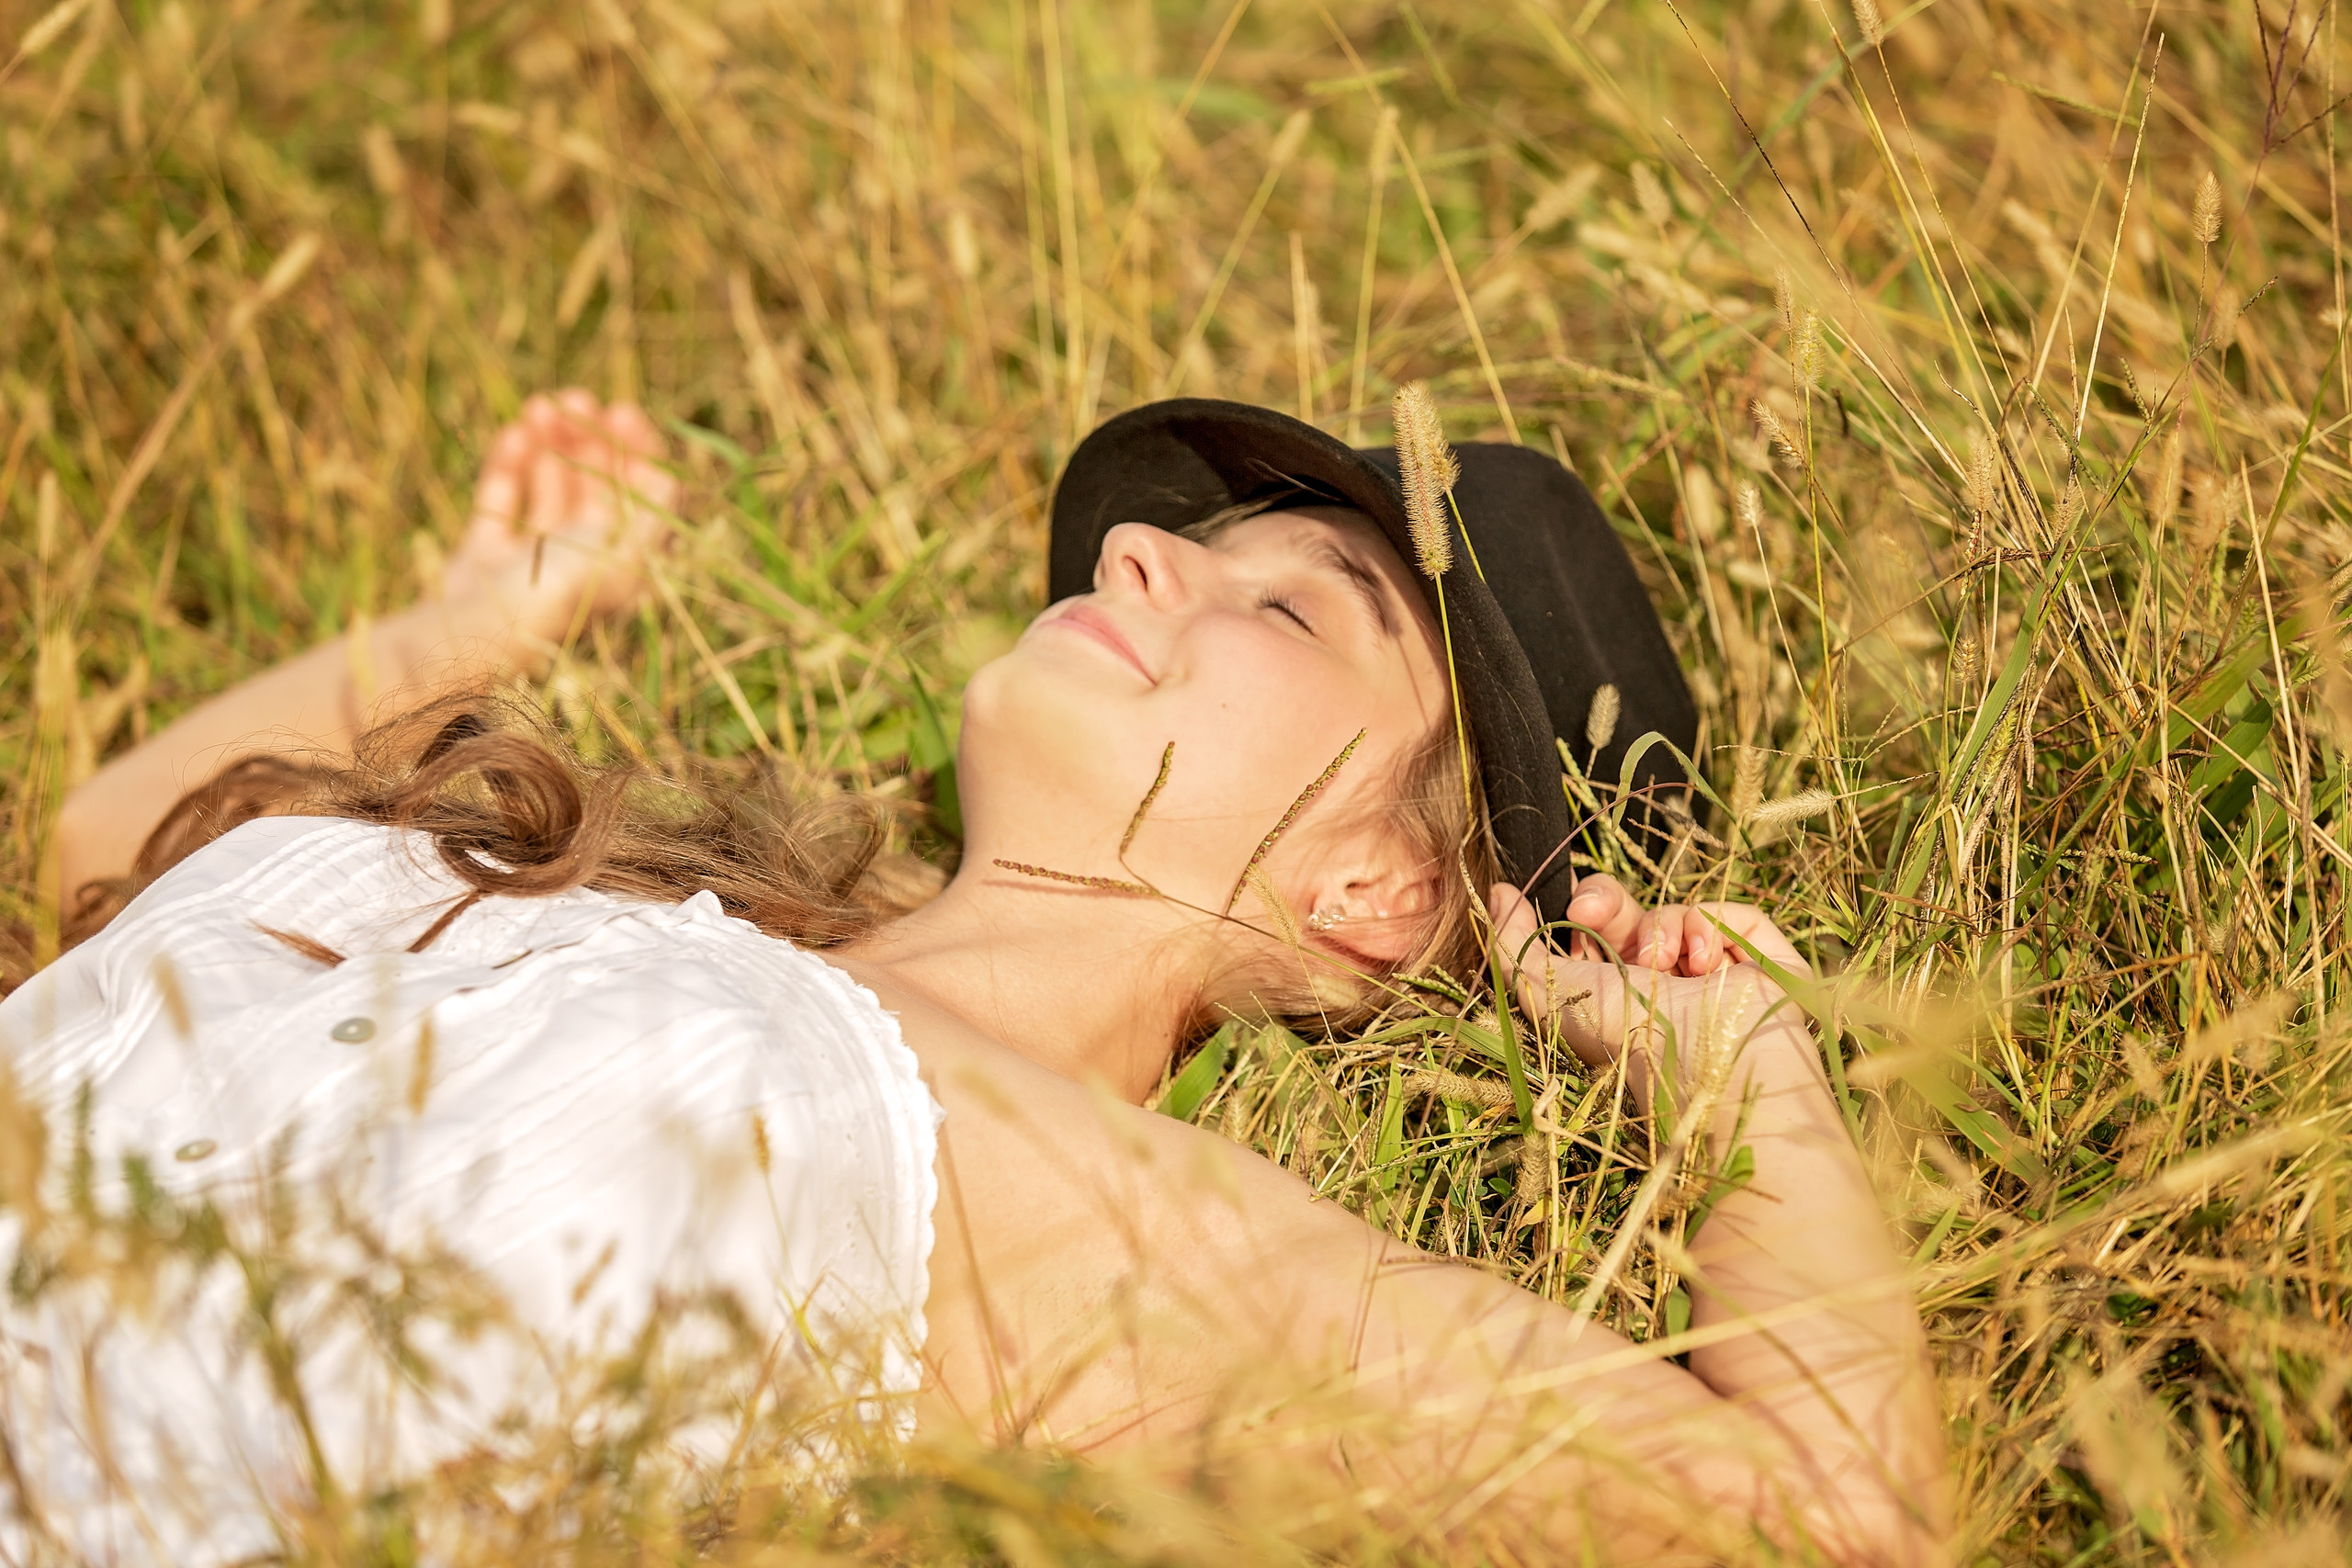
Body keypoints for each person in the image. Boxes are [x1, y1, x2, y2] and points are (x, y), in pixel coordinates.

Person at [6, 389, 1946, 1562]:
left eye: (1289, 599)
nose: (1129, 552)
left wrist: (1747, 1080)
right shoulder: (640, 898)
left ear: (1375, 886)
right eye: (1187, 544)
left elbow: (1817, 1516)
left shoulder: (1085, 1221)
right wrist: (476, 617)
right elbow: (108, 857)